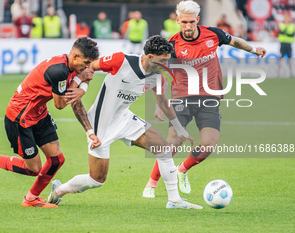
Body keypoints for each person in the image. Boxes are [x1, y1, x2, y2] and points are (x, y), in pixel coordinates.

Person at [47, 35, 202, 210]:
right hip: (100, 124)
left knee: (164, 150)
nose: (166, 65)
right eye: (163, 60)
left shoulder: (158, 75)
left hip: (124, 118)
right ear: (149, 57)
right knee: (97, 180)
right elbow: (88, 67)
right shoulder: (121, 60)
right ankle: (58, 191)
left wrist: (180, 128)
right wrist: (80, 87)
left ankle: (174, 201)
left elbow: (163, 101)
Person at [142, 0, 266, 198]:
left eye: (191, 22)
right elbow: (161, 72)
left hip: (210, 97)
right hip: (181, 97)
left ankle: (182, 169)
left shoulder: (213, 34)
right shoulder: (172, 44)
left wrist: (253, 50)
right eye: (184, 22)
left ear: (197, 20)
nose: (188, 26)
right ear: (178, 21)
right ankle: (152, 183)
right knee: (173, 142)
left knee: (209, 144)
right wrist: (159, 103)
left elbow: (235, 41)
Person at [0, 37, 101, 208]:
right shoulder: (59, 71)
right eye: (86, 63)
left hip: (39, 114)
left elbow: (74, 99)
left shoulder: (71, 68)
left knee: (56, 160)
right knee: (33, 169)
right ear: (75, 56)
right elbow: (61, 104)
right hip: (20, 117)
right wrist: (80, 83)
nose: (87, 67)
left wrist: (90, 131)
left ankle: (31, 198)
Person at [277, 12, 295, 77]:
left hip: (288, 44)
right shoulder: (281, 24)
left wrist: (285, 30)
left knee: (290, 58)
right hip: (282, 43)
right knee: (281, 58)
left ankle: (291, 73)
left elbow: (290, 33)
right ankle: (278, 72)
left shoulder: (292, 25)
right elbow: (282, 31)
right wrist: (286, 28)